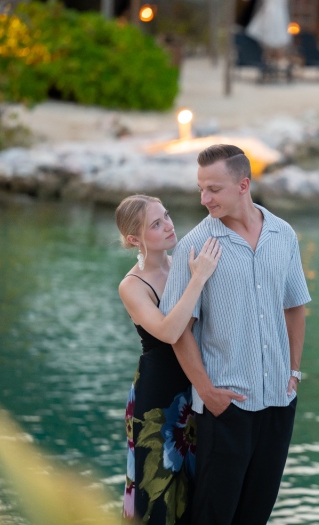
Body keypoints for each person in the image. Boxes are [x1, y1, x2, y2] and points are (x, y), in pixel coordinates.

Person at [160, 144, 311, 524]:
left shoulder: (283, 234)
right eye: (201, 188)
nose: (203, 198)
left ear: (243, 185)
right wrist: (207, 392)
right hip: (225, 404)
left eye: (214, 189)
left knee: (256, 513)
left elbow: (295, 306)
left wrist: (293, 371)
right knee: (213, 515)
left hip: (279, 397)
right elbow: (179, 332)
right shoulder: (194, 247)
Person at [115, 194, 222, 524]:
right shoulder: (132, 285)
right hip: (156, 399)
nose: (169, 226)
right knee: (156, 493)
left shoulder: (183, 264)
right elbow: (168, 331)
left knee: (193, 491)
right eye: (156, 224)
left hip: (193, 391)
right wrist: (198, 279)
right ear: (135, 239)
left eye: (167, 217)